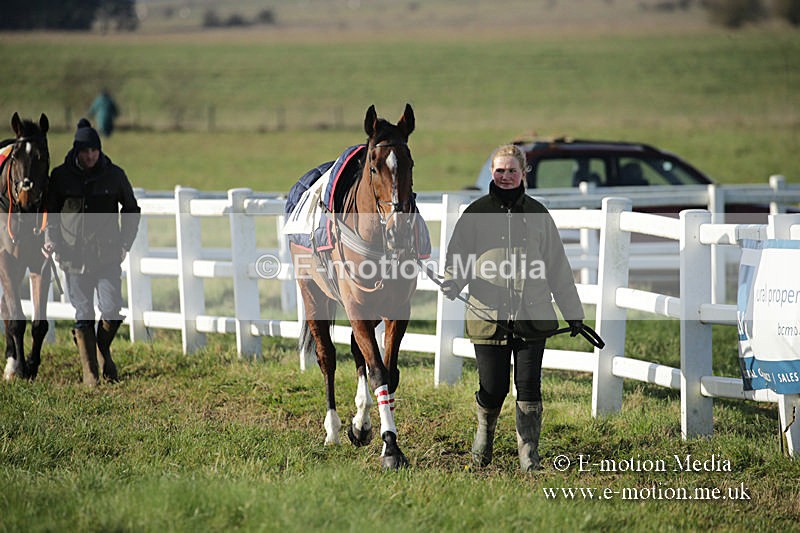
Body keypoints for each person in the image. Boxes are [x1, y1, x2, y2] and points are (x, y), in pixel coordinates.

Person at [441, 144, 584, 472]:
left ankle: (528, 456)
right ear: (492, 173)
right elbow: (458, 258)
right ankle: (484, 433)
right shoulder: (474, 214)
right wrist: (452, 281)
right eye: (499, 171)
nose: (505, 177)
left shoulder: (538, 215)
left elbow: (557, 267)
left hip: (533, 316)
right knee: (493, 389)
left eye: (512, 171)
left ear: (523, 173)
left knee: (529, 388)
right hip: (487, 317)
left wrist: (573, 313)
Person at [44, 118, 141, 386]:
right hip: (73, 258)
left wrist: (125, 244)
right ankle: (90, 374)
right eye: (85, 151)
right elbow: (50, 214)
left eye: (94, 151)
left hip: (107, 256)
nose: (90, 156)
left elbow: (131, 210)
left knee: (111, 310)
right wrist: (51, 240)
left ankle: (101, 351)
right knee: (83, 313)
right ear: (77, 151)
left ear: (99, 150)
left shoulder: (115, 175)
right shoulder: (60, 177)